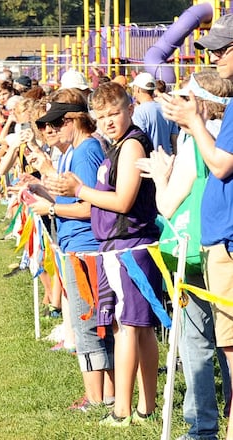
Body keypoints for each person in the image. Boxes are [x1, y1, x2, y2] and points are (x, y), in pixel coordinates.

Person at [48, 81, 161, 427]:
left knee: (128, 328)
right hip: (120, 246)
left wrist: (80, 190)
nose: (109, 121)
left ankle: (123, 410)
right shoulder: (117, 145)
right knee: (136, 327)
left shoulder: (131, 145)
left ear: (130, 109)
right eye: (102, 116)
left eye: (115, 113)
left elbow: (123, 202)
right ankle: (144, 407)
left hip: (131, 246)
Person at [137, 70, 232, 440]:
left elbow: (167, 204)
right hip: (222, 244)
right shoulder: (226, 134)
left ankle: (202, 426)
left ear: (198, 104)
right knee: (227, 340)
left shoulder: (196, 141)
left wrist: (161, 175)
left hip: (194, 252)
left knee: (197, 342)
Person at [162, 17, 233, 437]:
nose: (214, 56)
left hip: (221, 245)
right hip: (215, 243)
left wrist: (193, 125)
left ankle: (210, 428)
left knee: (224, 347)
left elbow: (221, 166)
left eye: (223, 48)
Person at [27, 90, 115, 412]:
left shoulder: (86, 151)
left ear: (75, 120)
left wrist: (50, 209)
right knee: (89, 323)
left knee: (87, 324)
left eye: (58, 122)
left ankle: (96, 398)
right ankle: (103, 395)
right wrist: (43, 191)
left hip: (85, 246)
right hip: (76, 244)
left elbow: (90, 206)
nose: (52, 130)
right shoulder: (79, 150)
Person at [130, 72, 178, 154]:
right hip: (168, 158)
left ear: (138, 89)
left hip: (150, 159)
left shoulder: (138, 112)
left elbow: (138, 141)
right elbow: (174, 140)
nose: (133, 94)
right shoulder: (167, 109)